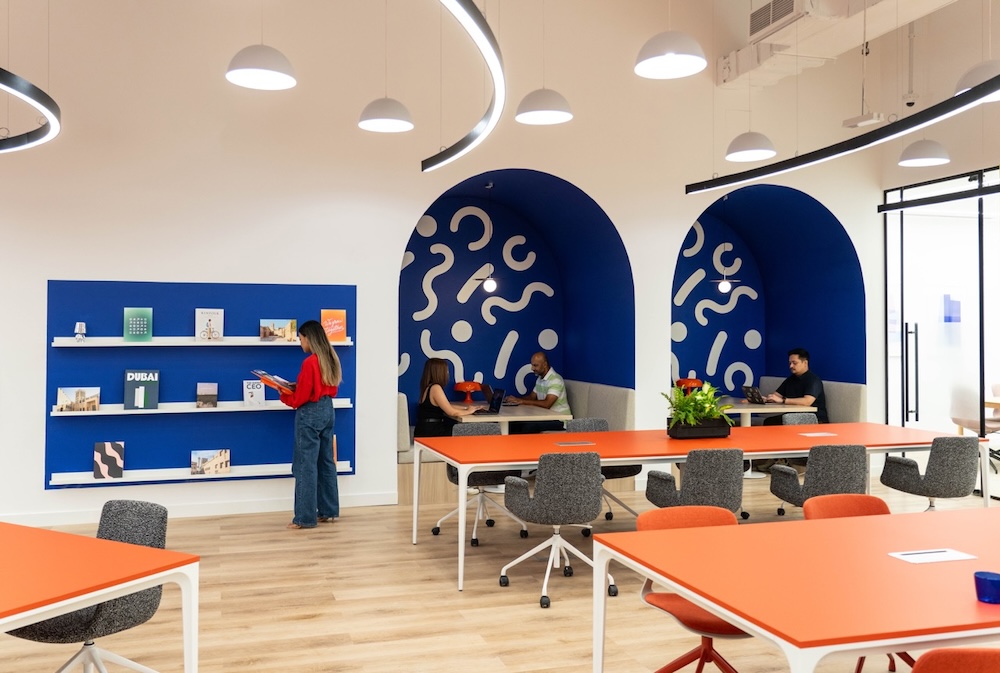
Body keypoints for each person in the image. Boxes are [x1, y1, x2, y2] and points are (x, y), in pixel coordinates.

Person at [280, 320, 342, 529]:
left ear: (309, 338)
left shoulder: (310, 362)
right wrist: (298, 388)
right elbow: (325, 387)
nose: (300, 343)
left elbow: (300, 399)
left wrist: (284, 394)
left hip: (310, 413)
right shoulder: (330, 357)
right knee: (326, 462)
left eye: (301, 338)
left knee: (304, 466)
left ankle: (304, 518)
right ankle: (328, 510)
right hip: (327, 410)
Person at [504, 351, 572, 434]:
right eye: (532, 365)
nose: (532, 368)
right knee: (514, 424)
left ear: (545, 365)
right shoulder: (540, 379)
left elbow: (547, 404)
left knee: (528, 427)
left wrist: (521, 401)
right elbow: (531, 397)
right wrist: (515, 400)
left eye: (535, 365)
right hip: (546, 417)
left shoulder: (556, 380)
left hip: (560, 420)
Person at [413, 358, 479, 438]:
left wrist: (465, 408)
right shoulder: (435, 388)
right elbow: (451, 412)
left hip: (424, 430)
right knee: (478, 429)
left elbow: (446, 405)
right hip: (432, 432)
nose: (447, 373)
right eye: (446, 370)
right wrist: (469, 411)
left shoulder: (427, 387)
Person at [763, 347, 829, 423]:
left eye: (794, 363)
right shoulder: (790, 379)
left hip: (815, 419)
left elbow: (807, 401)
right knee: (770, 421)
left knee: (772, 422)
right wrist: (766, 399)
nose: (791, 366)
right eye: (790, 363)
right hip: (794, 416)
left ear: (805, 363)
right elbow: (776, 396)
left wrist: (783, 400)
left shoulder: (813, 380)